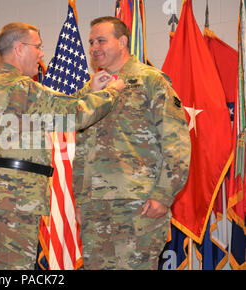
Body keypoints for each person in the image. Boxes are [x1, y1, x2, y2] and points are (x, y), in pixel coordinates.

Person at [0, 22, 125, 270]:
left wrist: (88, 89)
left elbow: (53, 107)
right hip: (12, 198)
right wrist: (111, 93)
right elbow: (74, 115)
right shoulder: (19, 87)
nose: (41, 53)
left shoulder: (0, 85)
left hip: (1, 195)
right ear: (19, 49)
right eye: (37, 46)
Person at [73, 16, 191, 270]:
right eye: (91, 42)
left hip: (137, 205)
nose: (94, 47)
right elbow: (81, 149)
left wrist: (163, 195)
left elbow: (176, 142)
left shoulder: (151, 81)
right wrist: (81, 201)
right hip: (96, 207)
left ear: (123, 41)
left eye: (101, 40)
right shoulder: (92, 90)